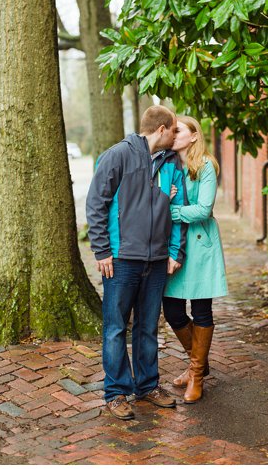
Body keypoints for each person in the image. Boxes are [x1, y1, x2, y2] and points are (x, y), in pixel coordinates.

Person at [86, 105, 187, 420]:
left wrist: (175, 251)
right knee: (116, 327)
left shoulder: (172, 164)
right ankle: (116, 393)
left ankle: (147, 385)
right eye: (174, 129)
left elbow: (178, 209)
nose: (176, 135)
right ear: (161, 129)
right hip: (121, 260)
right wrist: (102, 250)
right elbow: (95, 203)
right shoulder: (118, 156)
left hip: (156, 260)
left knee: (147, 326)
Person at [162, 115, 227, 404]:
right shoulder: (166, 164)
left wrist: (173, 210)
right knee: (173, 310)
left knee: (201, 310)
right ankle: (197, 363)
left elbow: (203, 210)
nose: (173, 135)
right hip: (175, 245)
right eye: (172, 131)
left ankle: (197, 375)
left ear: (194, 137)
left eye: (179, 131)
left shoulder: (206, 166)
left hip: (200, 246)